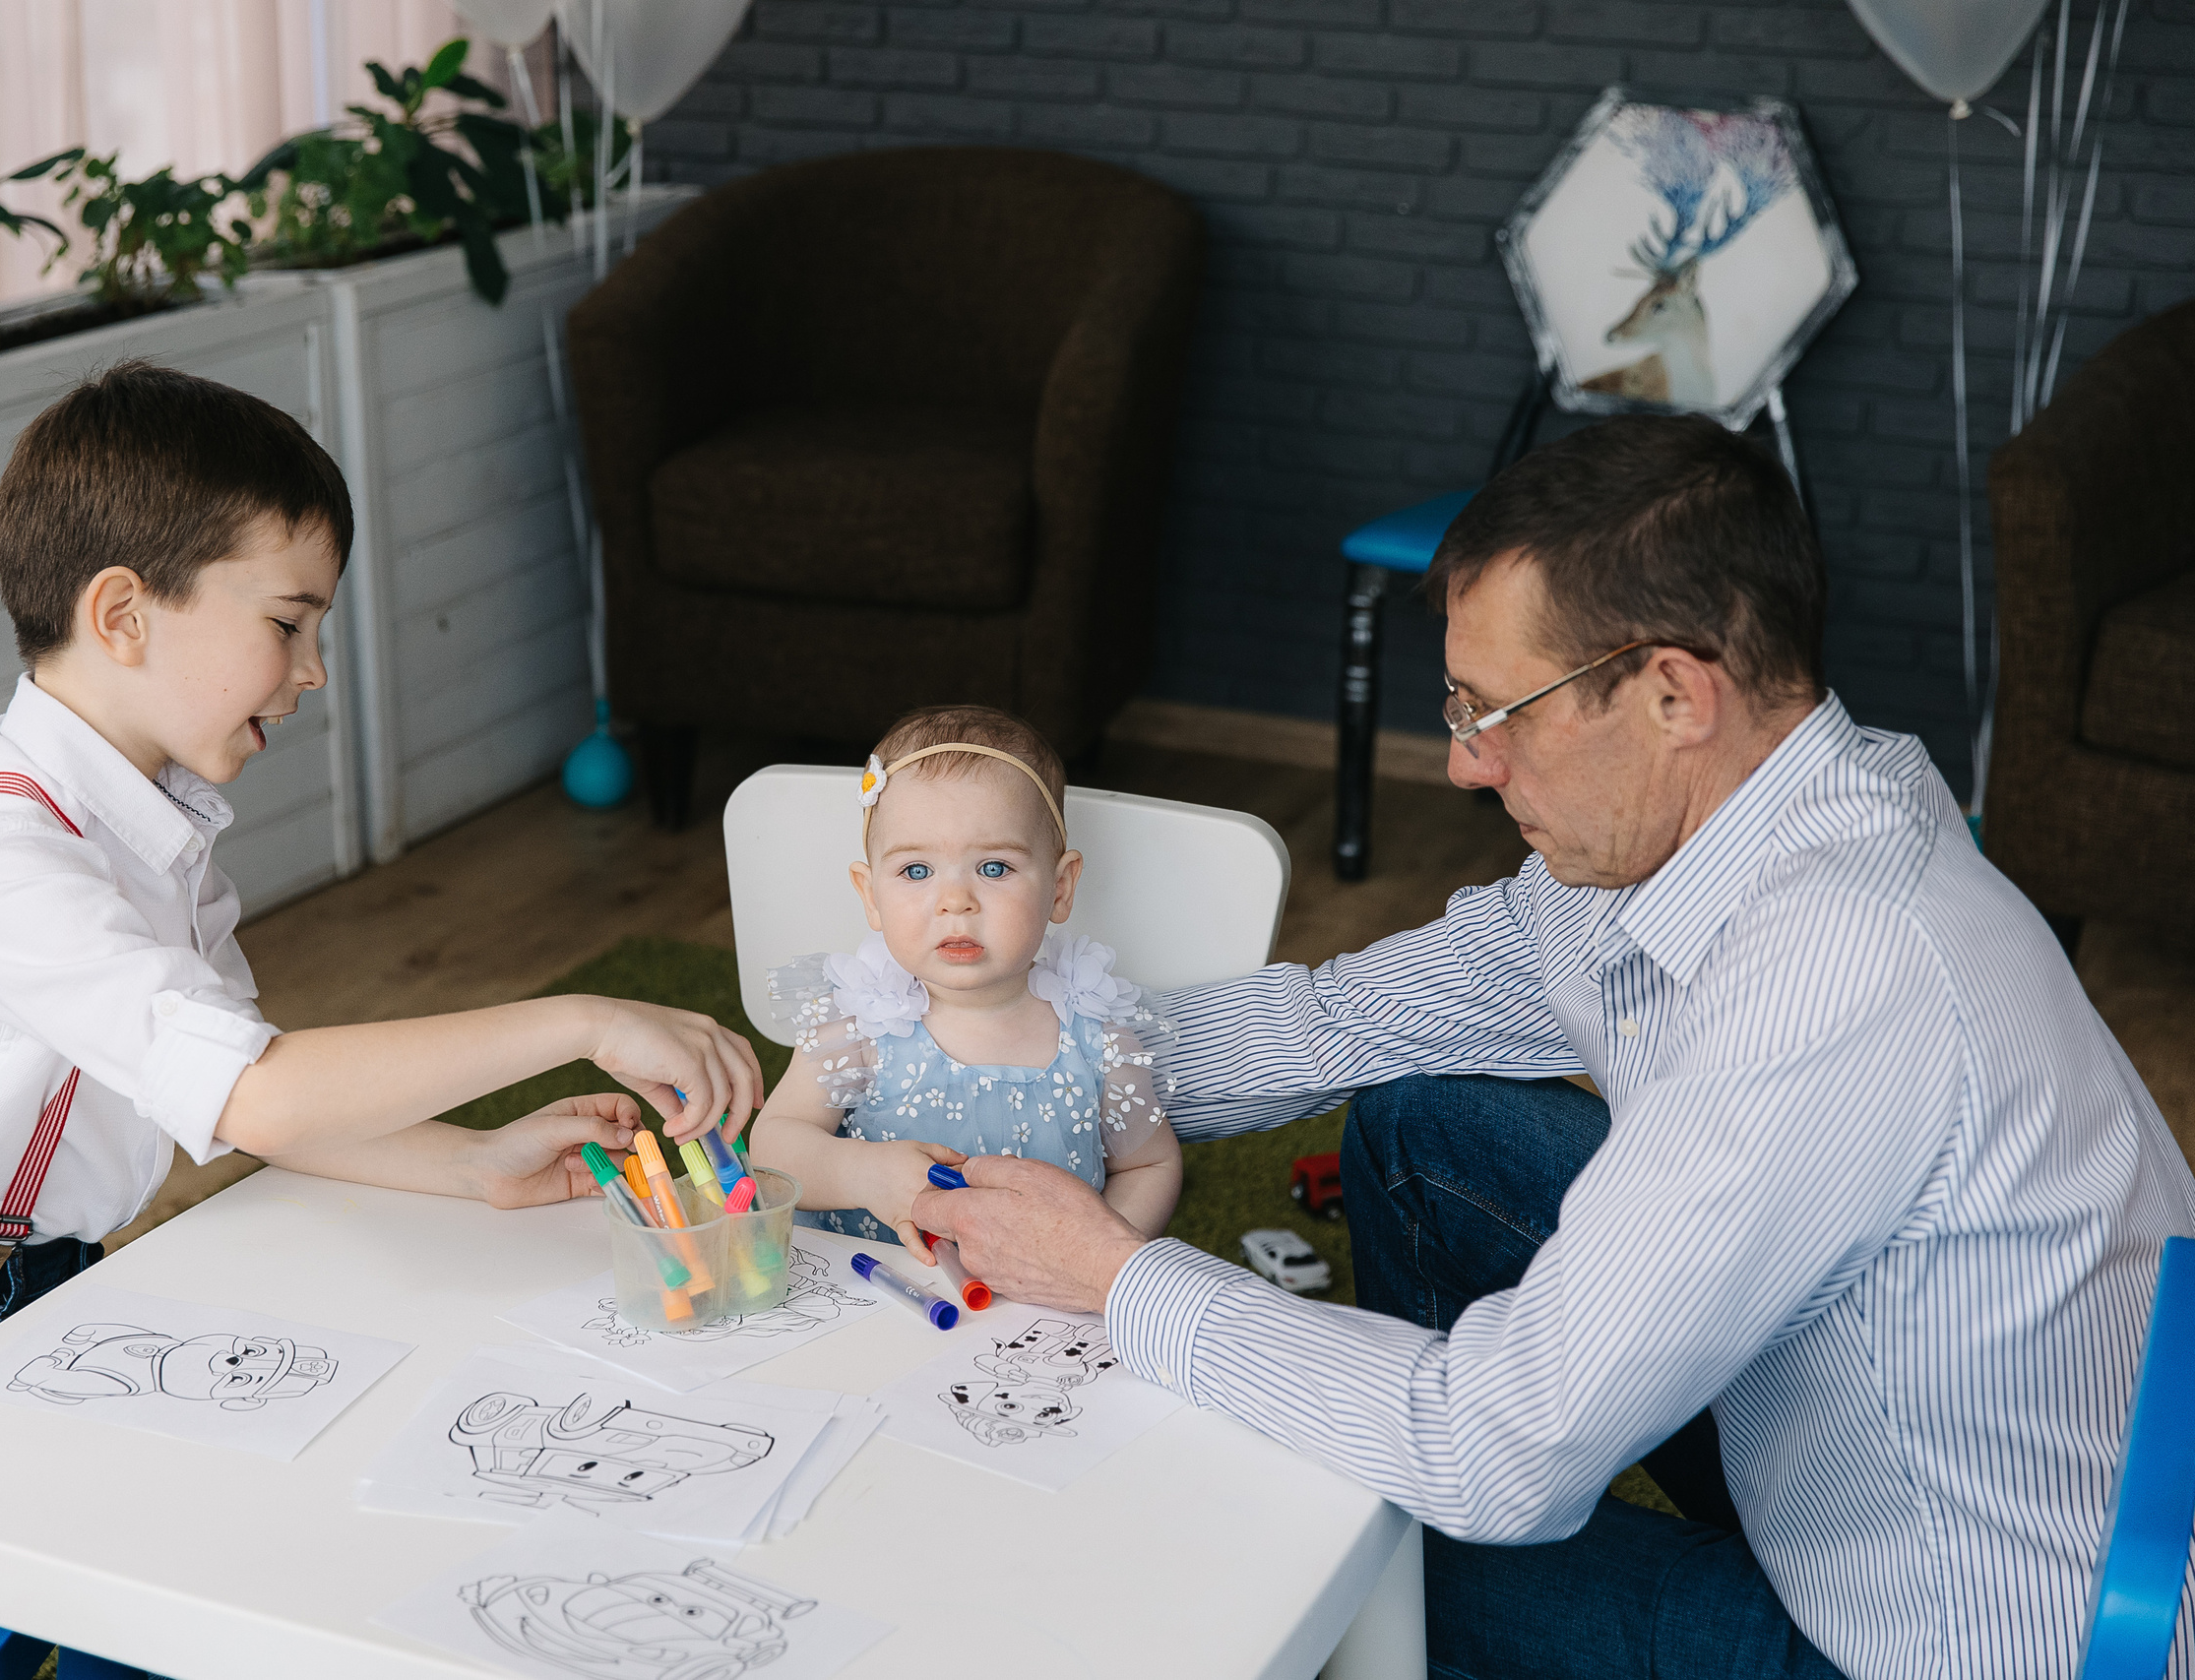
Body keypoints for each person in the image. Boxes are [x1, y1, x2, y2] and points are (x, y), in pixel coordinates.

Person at [913, 415, 2195, 1680]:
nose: (1466, 763)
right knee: (1432, 1129)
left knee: (1293, 1542)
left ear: (1673, 693)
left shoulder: (1839, 977)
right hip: (1845, 1413)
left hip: (1951, 1628)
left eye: (1496, 709)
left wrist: (1117, 1277)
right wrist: (1008, 1061)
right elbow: (1344, 1015)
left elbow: (1495, 1449)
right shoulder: (1728, 820)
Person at [0, 362, 764, 1515]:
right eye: (288, 621)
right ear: (122, 615)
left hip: (21, 1292)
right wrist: (582, 1020)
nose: (314, 668)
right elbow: (256, 1098)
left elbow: (248, 1087)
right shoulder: (1, 859)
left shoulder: (148, 823)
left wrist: (469, 1164)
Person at [747, 705, 1180, 1260]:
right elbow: (775, 1148)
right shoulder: (861, 1026)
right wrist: (861, 1173)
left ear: (1060, 888)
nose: (956, 901)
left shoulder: (1097, 1039)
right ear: (869, 895)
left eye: (994, 868)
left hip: (1044, 1316)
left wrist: (1092, 1259)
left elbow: (1150, 1164)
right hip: (873, 1296)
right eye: (916, 871)